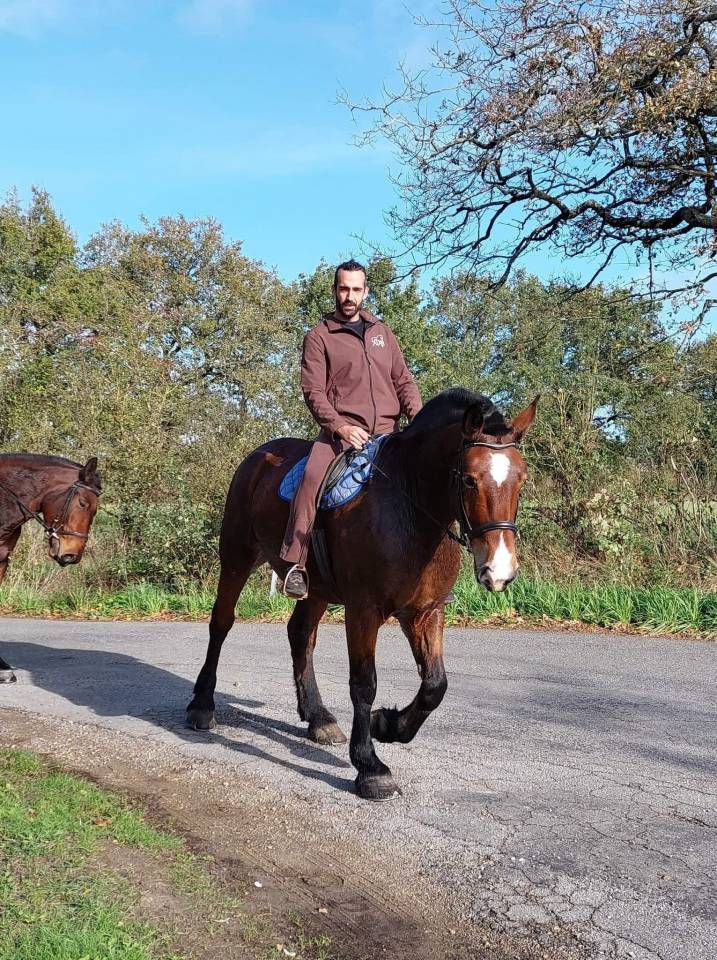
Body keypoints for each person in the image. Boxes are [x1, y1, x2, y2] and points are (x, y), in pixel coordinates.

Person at [278, 259, 422, 599]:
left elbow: (403, 380)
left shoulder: (382, 334)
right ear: (334, 290)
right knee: (311, 479)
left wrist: (419, 418)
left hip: (389, 432)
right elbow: (313, 392)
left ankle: (430, 575)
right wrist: (341, 427)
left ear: (366, 292)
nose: (350, 295)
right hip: (340, 436)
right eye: (344, 288)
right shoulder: (318, 337)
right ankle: (294, 564)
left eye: (356, 289)